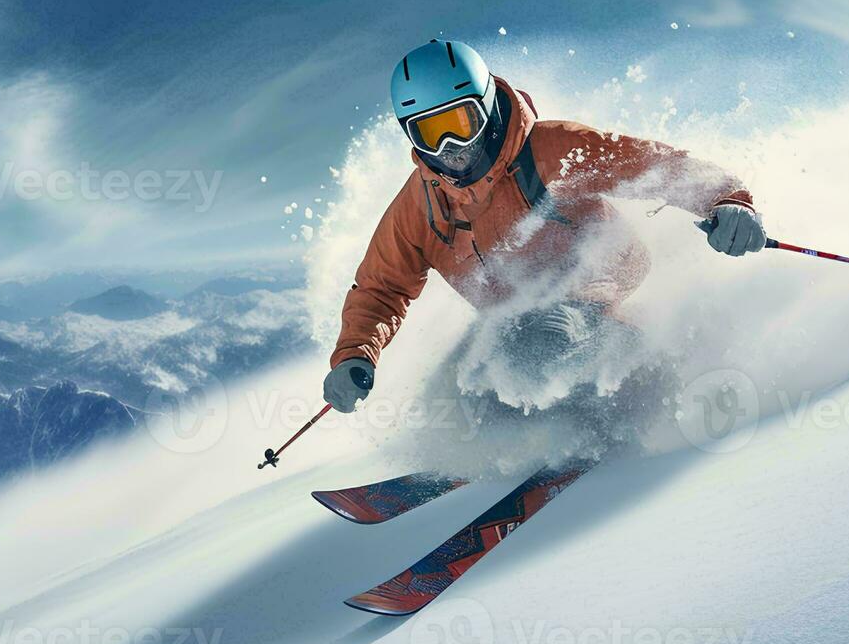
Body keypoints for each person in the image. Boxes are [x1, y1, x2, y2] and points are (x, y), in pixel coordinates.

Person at [321, 39, 766, 414]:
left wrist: (726, 201)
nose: (451, 147)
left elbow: (649, 166)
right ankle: (514, 442)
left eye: (459, 123)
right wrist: (354, 355)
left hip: (599, 282)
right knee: (469, 373)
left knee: (534, 342)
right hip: (516, 316)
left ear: (487, 108)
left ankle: (642, 389)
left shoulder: (550, 150)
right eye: (430, 133)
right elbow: (380, 289)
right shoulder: (420, 207)